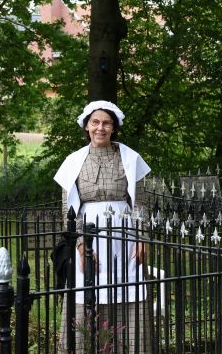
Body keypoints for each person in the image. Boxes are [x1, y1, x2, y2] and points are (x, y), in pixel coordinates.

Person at [53, 100, 152, 353]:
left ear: (114, 127)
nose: (100, 128)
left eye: (106, 123)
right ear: (86, 126)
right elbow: (68, 210)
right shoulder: (73, 161)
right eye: (95, 122)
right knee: (86, 288)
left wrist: (142, 238)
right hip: (88, 234)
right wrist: (79, 243)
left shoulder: (130, 158)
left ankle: (129, 348)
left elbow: (140, 203)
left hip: (123, 235)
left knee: (127, 288)